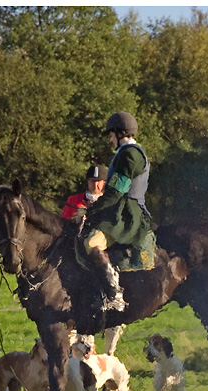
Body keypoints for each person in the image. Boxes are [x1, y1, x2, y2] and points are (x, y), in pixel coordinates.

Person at [76, 112, 152, 312]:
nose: (110, 139)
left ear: (120, 133)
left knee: (91, 243)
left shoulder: (130, 155)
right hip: (120, 209)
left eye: (111, 135)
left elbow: (117, 191)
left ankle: (114, 294)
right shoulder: (125, 153)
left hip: (128, 214)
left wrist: (92, 211)